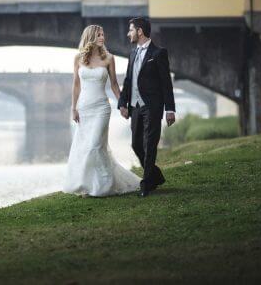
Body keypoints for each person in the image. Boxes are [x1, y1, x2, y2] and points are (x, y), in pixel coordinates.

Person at [63, 25, 141, 197]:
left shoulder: (109, 58)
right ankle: (90, 185)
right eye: (99, 35)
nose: (102, 37)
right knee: (85, 147)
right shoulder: (78, 58)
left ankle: (104, 186)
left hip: (101, 108)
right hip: (84, 107)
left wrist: (122, 104)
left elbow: (114, 84)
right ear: (90, 36)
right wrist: (73, 108)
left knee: (95, 146)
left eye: (103, 34)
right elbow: (76, 85)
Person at [118, 17, 176, 197]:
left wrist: (170, 109)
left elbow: (166, 83)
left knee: (149, 145)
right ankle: (155, 176)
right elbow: (128, 80)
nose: (129, 33)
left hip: (152, 106)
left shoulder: (159, 53)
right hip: (135, 106)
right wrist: (122, 103)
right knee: (136, 144)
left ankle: (146, 184)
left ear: (140, 31)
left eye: (131, 30)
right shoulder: (133, 53)